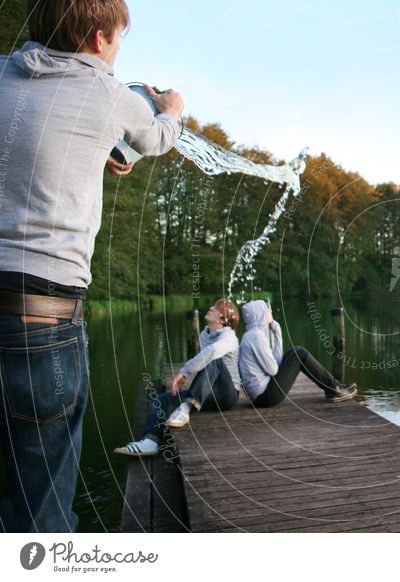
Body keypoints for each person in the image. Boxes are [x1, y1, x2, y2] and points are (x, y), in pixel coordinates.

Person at [0, 0, 184, 532]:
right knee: (42, 512)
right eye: (120, 40)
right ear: (101, 39)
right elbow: (158, 139)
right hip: (43, 321)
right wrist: (170, 106)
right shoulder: (106, 92)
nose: (118, 52)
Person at [114, 299, 242, 456]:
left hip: (228, 394)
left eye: (215, 308)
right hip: (207, 393)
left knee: (214, 359)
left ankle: (185, 408)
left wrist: (185, 372)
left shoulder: (229, 338)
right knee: (162, 399)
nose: (210, 307)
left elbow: (212, 353)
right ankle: (150, 441)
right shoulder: (205, 334)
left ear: (222, 319)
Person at [239, 300, 357, 407]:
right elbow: (274, 370)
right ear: (260, 315)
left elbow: (278, 363)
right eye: (266, 309)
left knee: (296, 351)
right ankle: (334, 388)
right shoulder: (256, 337)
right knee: (300, 353)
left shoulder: (252, 335)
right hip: (266, 397)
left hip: (262, 396)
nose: (270, 310)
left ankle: (333, 388)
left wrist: (277, 330)